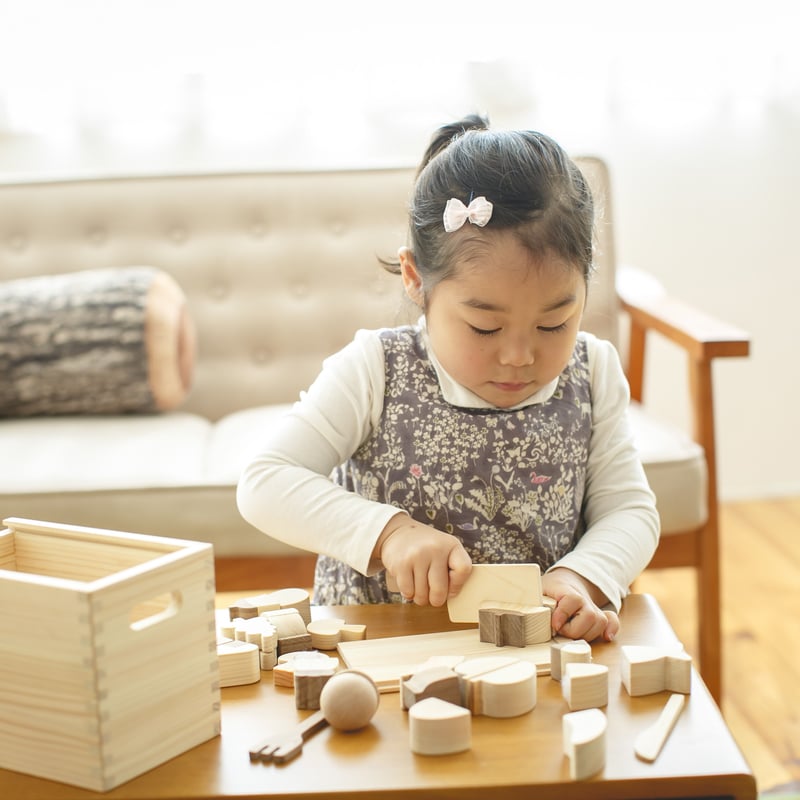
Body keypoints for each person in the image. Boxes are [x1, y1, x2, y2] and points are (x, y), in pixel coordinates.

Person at [237, 114, 659, 643]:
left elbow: (630, 510)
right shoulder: (376, 368)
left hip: (530, 657)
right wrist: (389, 534)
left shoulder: (591, 371)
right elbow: (265, 482)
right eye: (485, 326)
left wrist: (582, 576)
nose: (519, 356)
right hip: (379, 650)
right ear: (416, 280)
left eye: (554, 323)